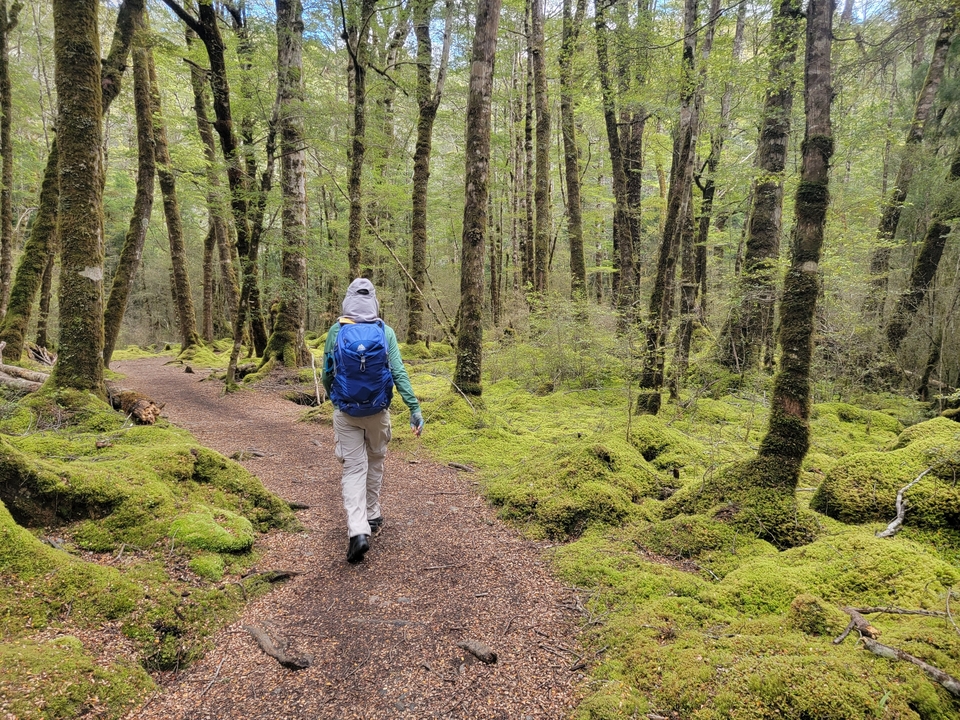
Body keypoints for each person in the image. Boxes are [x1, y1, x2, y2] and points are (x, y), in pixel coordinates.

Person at [322, 278, 424, 564]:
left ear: (348, 299)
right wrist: (414, 408)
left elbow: (327, 374)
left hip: (347, 412)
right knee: (376, 460)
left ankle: (357, 531)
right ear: (374, 301)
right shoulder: (384, 331)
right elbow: (398, 372)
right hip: (378, 411)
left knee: (354, 468)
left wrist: (337, 399)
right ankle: (373, 513)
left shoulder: (336, 330)